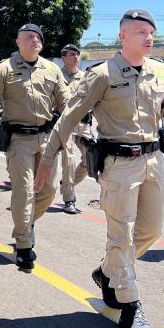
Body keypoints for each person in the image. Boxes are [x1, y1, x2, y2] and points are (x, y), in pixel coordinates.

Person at [35, 9, 164, 328]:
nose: (148, 37)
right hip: (118, 164)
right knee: (120, 236)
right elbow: (70, 116)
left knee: (152, 231)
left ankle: (107, 272)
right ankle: (129, 303)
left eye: (151, 32)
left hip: (152, 160)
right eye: (140, 31)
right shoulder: (102, 74)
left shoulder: (161, 72)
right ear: (122, 36)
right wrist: (48, 158)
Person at [0, 24, 69, 270]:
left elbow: (67, 102)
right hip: (18, 141)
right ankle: (24, 245)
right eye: (28, 37)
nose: (34, 40)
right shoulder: (4, 70)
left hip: (47, 139)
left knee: (48, 191)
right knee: (23, 191)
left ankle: (26, 223)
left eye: (37, 38)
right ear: (18, 42)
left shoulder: (52, 69)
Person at [57, 44, 92, 214]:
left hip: (83, 125)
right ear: (63, 58)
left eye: (78, 54)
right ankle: (69, 198)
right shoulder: (56, 76)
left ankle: (66, 185)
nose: (76, 57)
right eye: (72, 54)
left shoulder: (86, 78)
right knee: (68, 161)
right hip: (65, 125)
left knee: (89, 161)